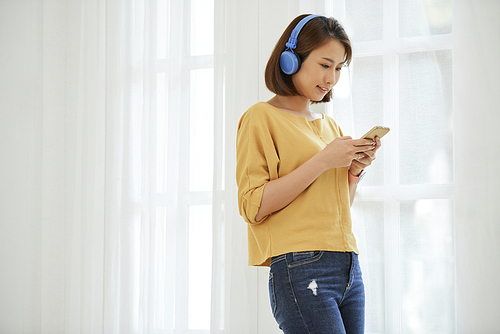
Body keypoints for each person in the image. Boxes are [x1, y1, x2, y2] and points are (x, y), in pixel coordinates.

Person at [236, 14, 382, 333]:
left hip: (347, 264)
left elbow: (335, 205)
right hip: (301, 266)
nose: (331, 78)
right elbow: (252, 207)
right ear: (291, 59)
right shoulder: (260, 118)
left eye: (340, 68)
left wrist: (354, 172)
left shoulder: (330, 126)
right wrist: (322, 161)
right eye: (325, 64)